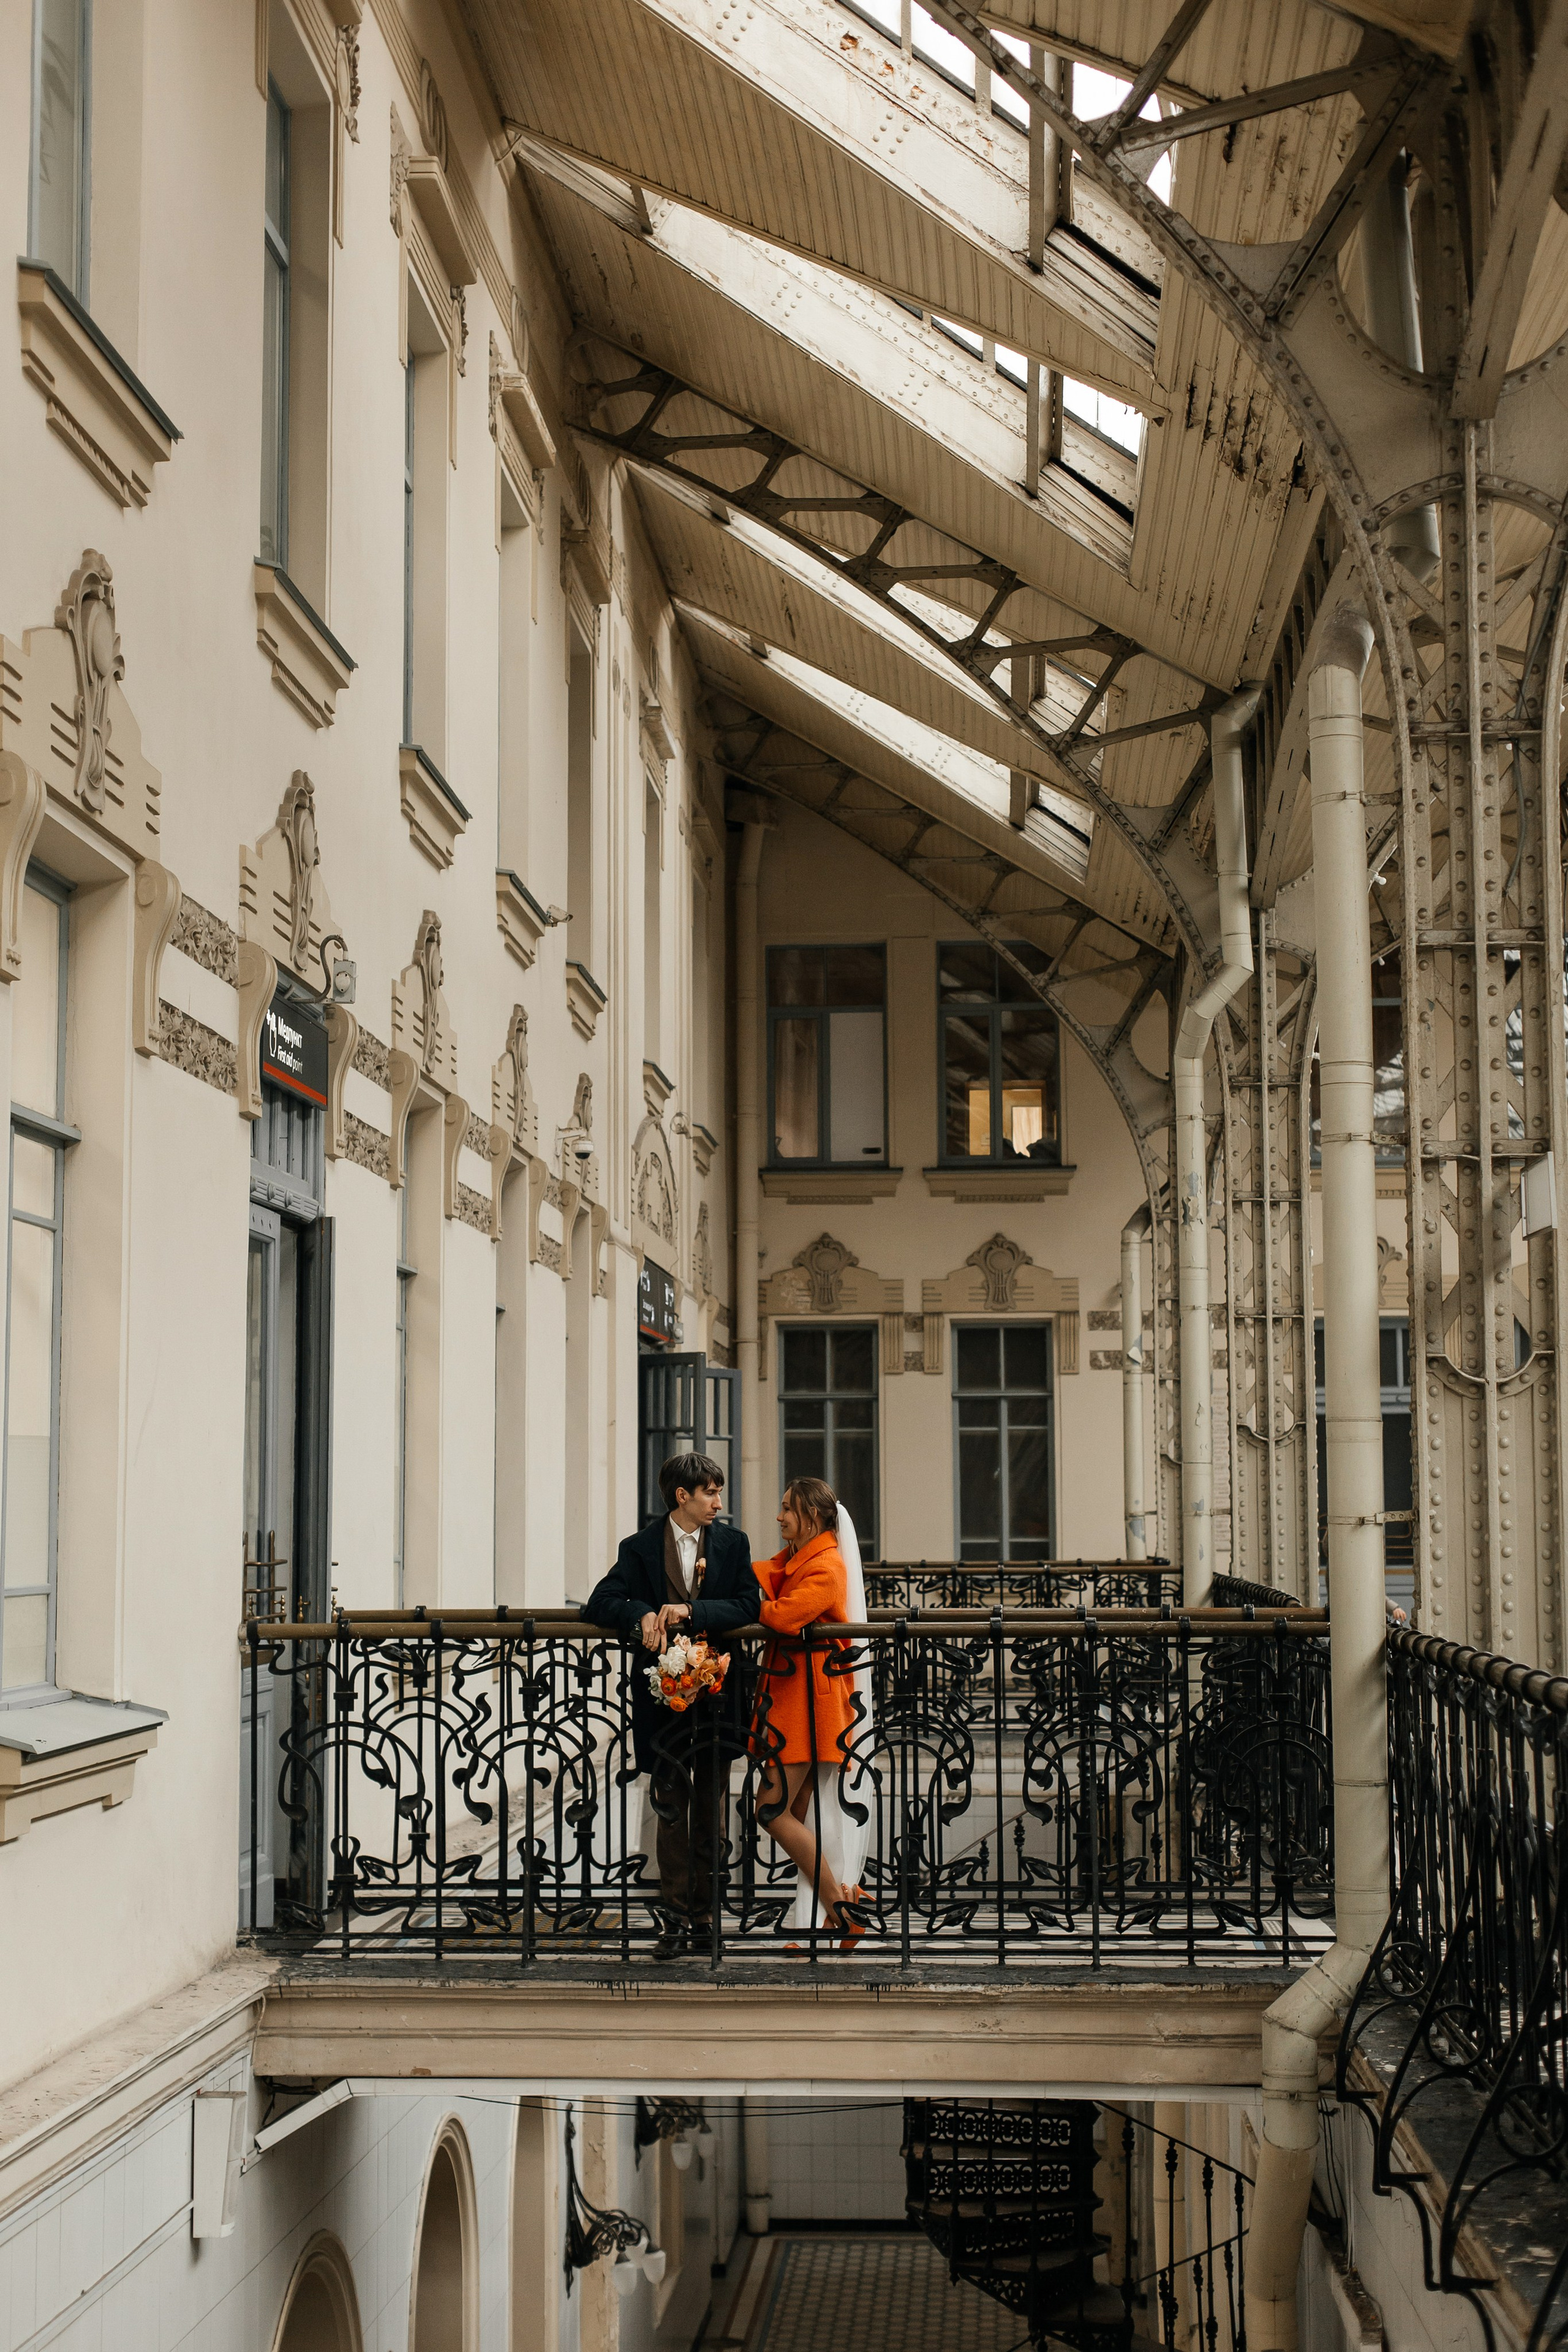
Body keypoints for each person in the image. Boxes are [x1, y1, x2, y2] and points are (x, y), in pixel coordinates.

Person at [581, 1453, 758, 1960]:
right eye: (709, 1493)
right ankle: (676, 1920)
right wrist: (640, 1615)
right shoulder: (639, 1548)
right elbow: (601, 1601)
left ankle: (707, 1920)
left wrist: (691, 1609)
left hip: (718, 1697)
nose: (718, 1503)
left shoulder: (732, 1544)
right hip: (664, 1704)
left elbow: (750, 1605)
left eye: (718, 1493)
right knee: (670, 1811)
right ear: (682, 1496)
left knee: (711, 1811)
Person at [751, 1476, 869, 1953]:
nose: (778, 1517)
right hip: (794, 1698)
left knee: (772, 1810)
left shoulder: (828, 1566)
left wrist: (749, 1603)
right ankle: (822, 1914)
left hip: (808, 1703)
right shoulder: (803, 1561)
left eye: (786, 1509)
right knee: (797, 1814)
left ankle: (840, 1909)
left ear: (814, 1516)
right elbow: (773, 1583)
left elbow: (781, 1616)